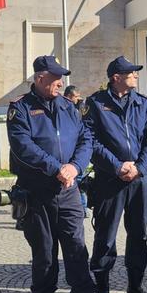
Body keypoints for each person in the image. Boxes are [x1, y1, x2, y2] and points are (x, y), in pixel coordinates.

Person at [7, 56, 95, 293]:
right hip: (37, 193)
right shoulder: (20, 107)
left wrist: (75, 167)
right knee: (44, 256)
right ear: (40, 78)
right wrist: (57, 168)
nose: (60, 82)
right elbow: (22, 146)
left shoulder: (68, 107)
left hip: (69, 191)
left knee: (77, 249)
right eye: (56, 77)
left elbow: (86, 139)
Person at [83, 56, 147, 293]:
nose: (136, 75)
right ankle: (102, 287)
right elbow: (90, 141)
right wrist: (116, 166)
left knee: (139, 234)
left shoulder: (143, 104)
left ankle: (135, 286)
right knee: (105, 237)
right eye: (131, 72)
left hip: (138, 179)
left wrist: (139, 167)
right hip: (109, 180)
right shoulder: (95, 103)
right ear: (116, 77)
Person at [64, 85, 89, 216]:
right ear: (68, 96)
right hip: (69, 155)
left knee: (81, 182)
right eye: (75, 97)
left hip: (79, 154)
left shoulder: (80, 108)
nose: (78, 99)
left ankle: (83, 209)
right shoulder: (64, 108)